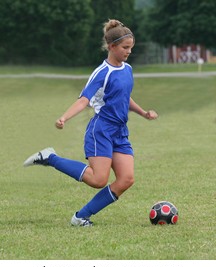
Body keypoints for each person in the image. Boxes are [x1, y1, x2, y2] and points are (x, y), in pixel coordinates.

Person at [23, 19, 158, 227]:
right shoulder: (101, 73)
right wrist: (64, 117)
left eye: (131, 48)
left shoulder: (127, 69)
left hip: (120, 131)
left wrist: (142, 112)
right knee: (98, 180)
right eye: (125, 47)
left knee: (126, 180)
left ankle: (80, 217)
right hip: (101, 130)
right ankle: (51, 157)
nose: (129, 52)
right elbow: (84, 100)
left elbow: (123, 96)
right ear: (111, 47)